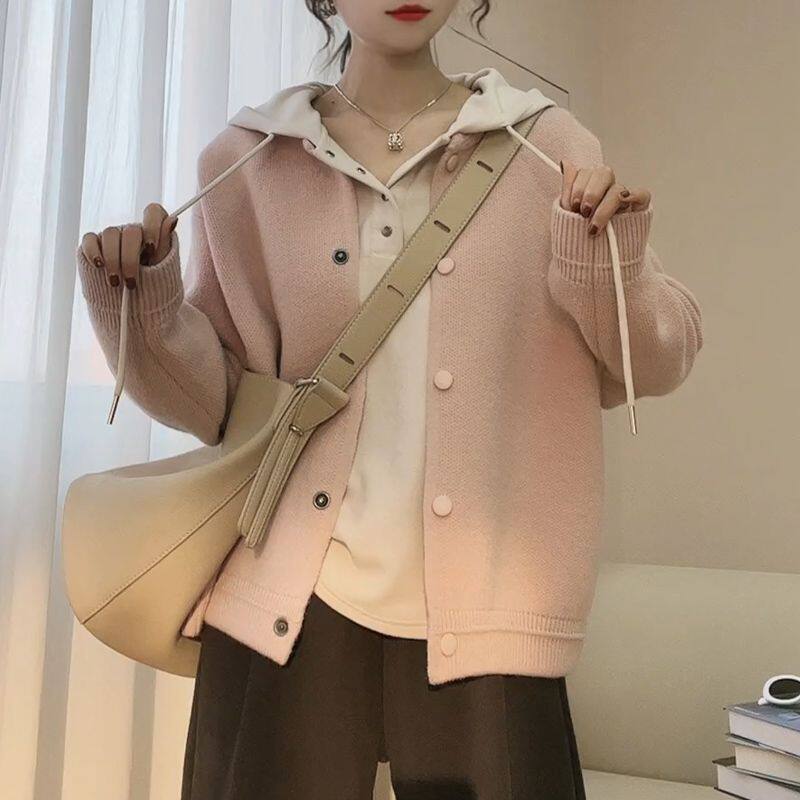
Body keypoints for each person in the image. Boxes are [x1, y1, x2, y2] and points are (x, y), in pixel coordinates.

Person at [75, 1, 704, 797]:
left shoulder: (545, 148)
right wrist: (143, 303)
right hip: (289, 599)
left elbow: (660, 359)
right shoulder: (249, 159)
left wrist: (602, 261)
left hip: (491, 602)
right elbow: (214, 404)